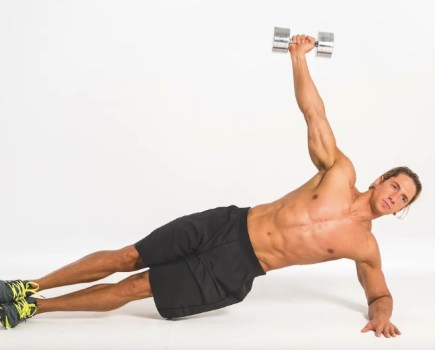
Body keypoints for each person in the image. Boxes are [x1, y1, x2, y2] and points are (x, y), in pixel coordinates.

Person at [0, 35, 421, 337]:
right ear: (381, 178)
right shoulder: (339, 172)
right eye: (396, 185)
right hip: (227, 224)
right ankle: (28, 284)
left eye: (403, 199)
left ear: (400, 208)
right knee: (129, 256)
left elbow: (379, 293)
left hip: (237, 268)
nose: (394, 196)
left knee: (136, 287)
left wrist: (382, 315)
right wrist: (298, 57)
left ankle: (31, 307)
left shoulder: (365, 246)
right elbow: (314, 113)